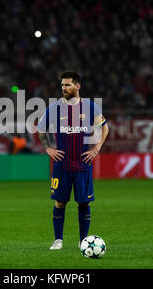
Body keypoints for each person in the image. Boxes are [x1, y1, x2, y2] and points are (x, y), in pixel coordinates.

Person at [37, 70, 109, 250]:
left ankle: (83, 241)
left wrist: (96, 148)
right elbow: (41, 129)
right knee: (59, 202)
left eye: (67, 85)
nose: (64, 88)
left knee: (84, 202)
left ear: (77, 86)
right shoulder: (54, 108)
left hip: (83, 164)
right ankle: (58, 240)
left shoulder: (91, 107)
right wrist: (48, 148)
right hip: (61, 164)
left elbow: (105, 128)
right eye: (62, 85)